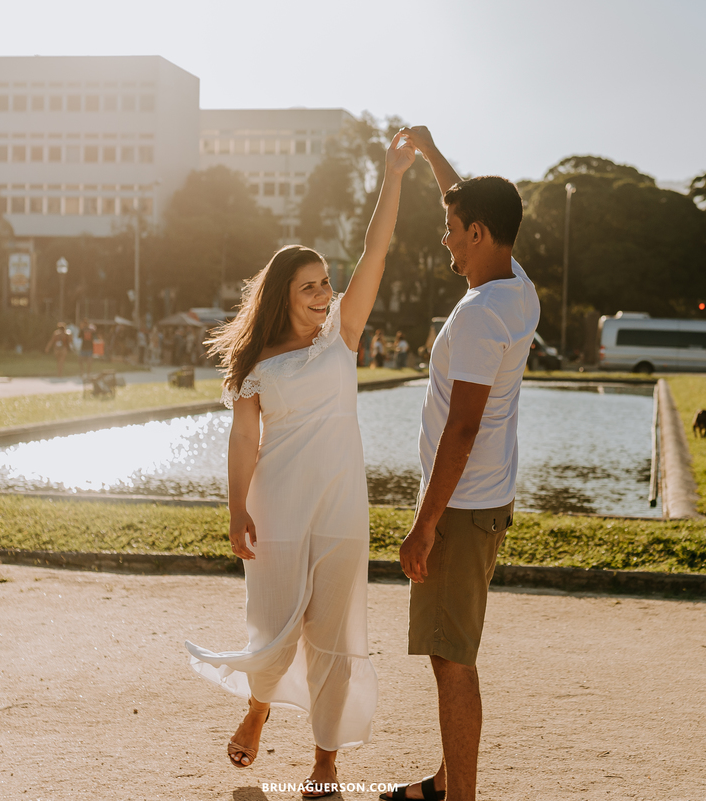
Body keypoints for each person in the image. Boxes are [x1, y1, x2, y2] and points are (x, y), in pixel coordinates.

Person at [186, 132, 415, 798]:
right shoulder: (257, 367)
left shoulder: (342, 336)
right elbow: (243, 443)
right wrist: (235, 510)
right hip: (276, 509)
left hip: (341, 507)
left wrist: (393, 175)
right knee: (275, 629)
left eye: (326, 283)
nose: (324, 293)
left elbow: (377, 249)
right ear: (285, 293)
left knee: (333, 635)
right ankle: (258, 706)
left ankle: (325, 760)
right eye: (311, 286)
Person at [384, 126, 540, 801]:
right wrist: (432, 154)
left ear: (477, 233)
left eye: (451, 229)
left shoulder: (479, 314)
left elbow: (463, 427)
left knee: (451, 659)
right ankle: (444, 782)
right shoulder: (517, 283)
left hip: (463, 506)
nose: (443, 238)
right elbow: (477, 203)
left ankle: (460, 797)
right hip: (487, 499)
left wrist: (425, 523)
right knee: (454, 649)